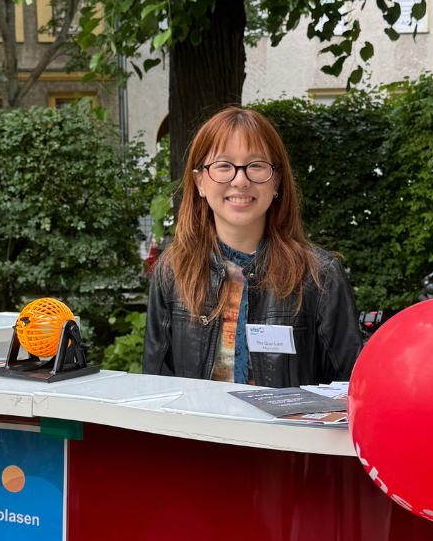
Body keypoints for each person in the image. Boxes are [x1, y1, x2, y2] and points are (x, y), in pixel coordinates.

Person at [142, 106, 361, 386]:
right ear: (199, 182)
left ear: (277, 181)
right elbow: (156, 385)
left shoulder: (318, 275)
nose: (240, 180)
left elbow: (349, 389)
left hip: (284, 431)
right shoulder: (173, 272)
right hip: (197, 431)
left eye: (256, 165)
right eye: (223, 166)